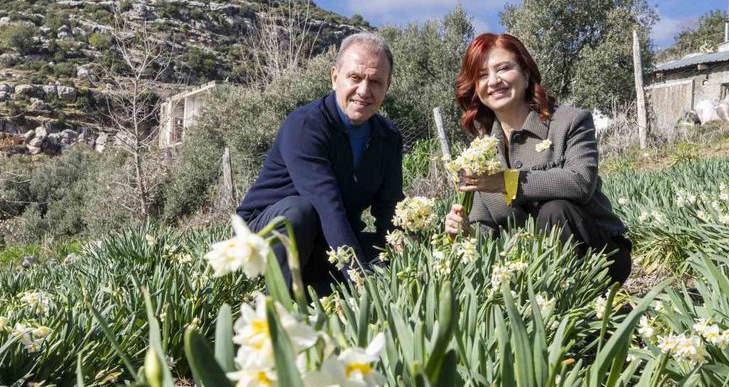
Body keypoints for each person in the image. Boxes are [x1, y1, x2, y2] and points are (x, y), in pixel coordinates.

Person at [444, 33, 632, 285]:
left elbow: (581, 182)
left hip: (599, 255)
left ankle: (578, 299)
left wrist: (506, 182)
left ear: (525, 73)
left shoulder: (569, 121)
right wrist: (465, 231)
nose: (494, 81)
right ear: (476, 89)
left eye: (504, 68)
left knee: (555, 210)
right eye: (482, 75)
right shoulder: (481, 152)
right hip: (528, 269)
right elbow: (484, 227)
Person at [236, 32, 403, 293]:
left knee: (389, 257)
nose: (364, 91)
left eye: (375, 82)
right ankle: (277, 301)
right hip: (266, 236)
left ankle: (318, 292)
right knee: (298, 212)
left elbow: (389, 208)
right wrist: (360, 280)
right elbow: (327, 206)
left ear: (387, 87)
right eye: (355, 78)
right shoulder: (306, 126)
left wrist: (402, 255)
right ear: (335, 77)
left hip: (326, 240)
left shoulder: (388, 136)